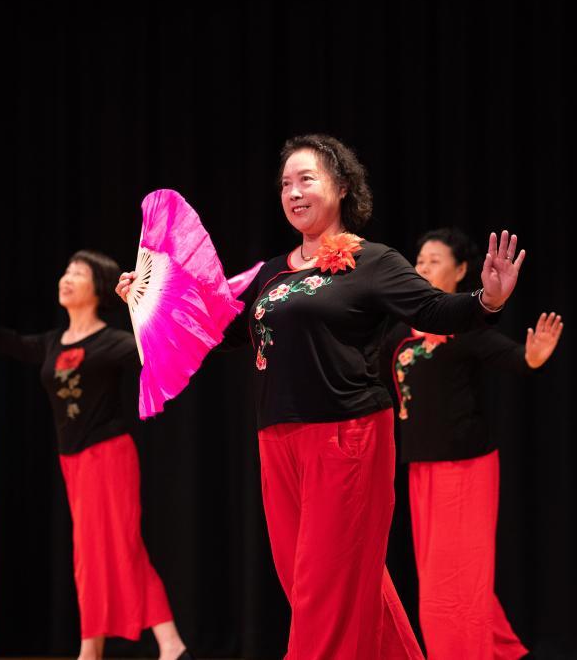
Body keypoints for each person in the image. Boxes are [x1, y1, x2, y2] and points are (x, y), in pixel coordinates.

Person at [118, 134, 526, 659]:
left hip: (347, 437)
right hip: (278, 439)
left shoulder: (372, 261)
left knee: (323, 590)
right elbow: (222, 334)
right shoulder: (271, 272)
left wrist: (487, 299)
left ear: (341, 187)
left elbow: (434, 312)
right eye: (286, 183)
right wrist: (145, 299)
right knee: (323, 583)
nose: (293, 191)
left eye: (306, 179)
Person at [0, 250, 191, 660]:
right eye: (66, 270)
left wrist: (140, 301)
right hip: (74, 463)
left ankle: (171, 645)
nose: (66, 277)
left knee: (123, 547)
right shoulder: (51, 343)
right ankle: (90, 648)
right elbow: (10, 341)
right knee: (88, 556)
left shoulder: (113, 342)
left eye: (78, 273)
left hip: (109, 456)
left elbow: (158, 348)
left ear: (97, 288)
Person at [381, 227, 562, 660]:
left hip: (465, 469)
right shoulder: (398, 334)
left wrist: (534, 356)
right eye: (419, 260)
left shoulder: (466, 326)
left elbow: (516, 359)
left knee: (452, 585)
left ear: (461, 270)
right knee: (445, 580)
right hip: (421, 468)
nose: (423, 267)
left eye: (435, 260)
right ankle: (504, 652)